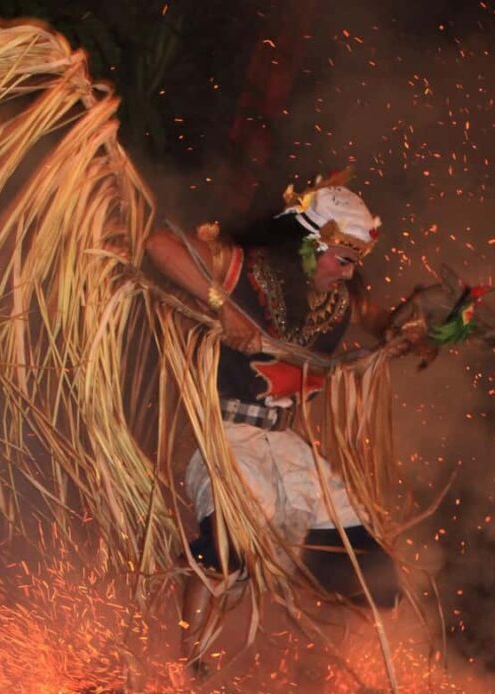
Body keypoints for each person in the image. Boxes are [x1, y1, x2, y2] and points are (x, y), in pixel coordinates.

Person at [144, 173, 412, 663]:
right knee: (229, 547)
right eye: (344, 259)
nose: (350, 273)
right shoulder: (241, 269)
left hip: (288, 452)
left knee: (374, 579)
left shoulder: (341, 298)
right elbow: (159, 245)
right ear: (310, 245)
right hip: (224, 440)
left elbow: (387, 324)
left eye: (355, 263)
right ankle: (185, 666)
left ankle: (313, 672)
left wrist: (422, 329)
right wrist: (222, 307)